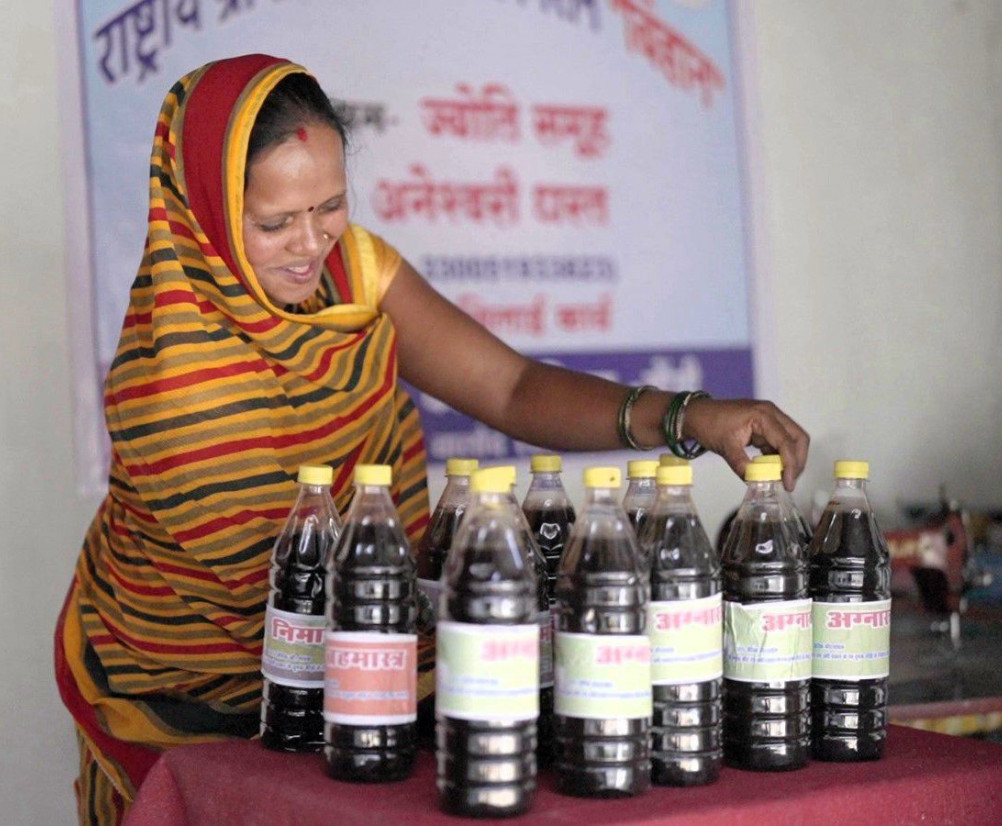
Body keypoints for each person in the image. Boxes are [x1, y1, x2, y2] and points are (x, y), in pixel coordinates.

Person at [55, 53, 809, 825]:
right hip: (189, 697)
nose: (311, 243)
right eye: (275, 223)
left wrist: (687, 418)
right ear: (206, 213)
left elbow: (509, 387)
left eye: (330, 206)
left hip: (364, 662)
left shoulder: (353, 274)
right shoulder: (174, 380)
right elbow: (290, 593)